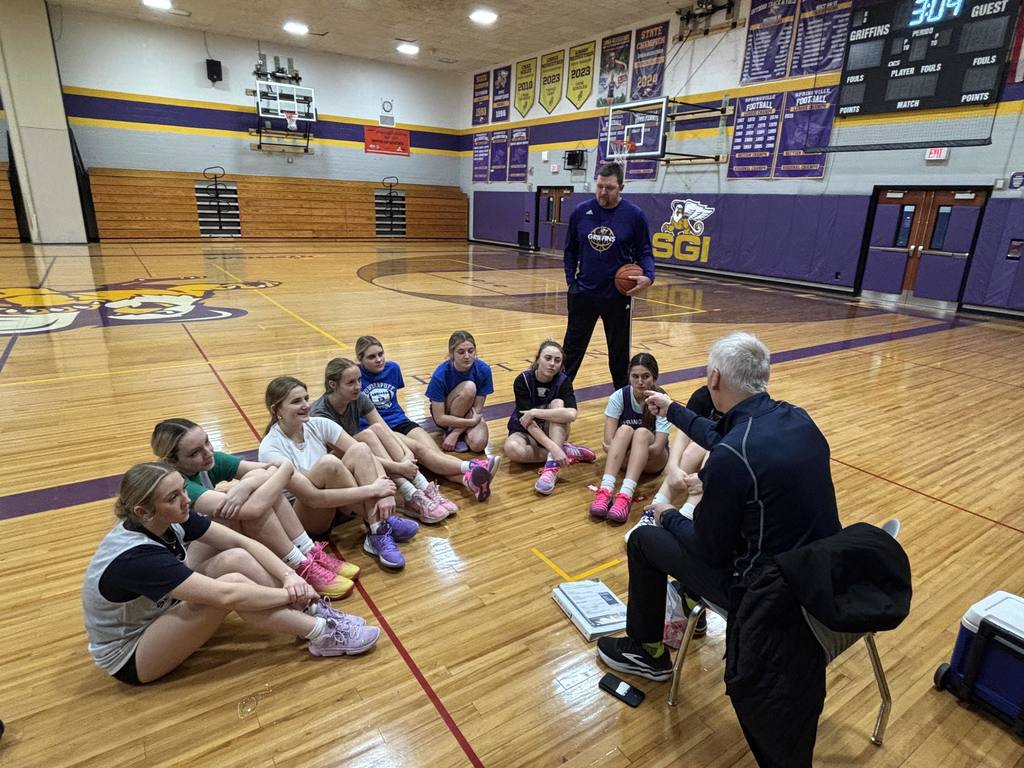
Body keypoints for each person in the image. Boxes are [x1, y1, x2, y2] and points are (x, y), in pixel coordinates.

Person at [595, 331, 841, 684]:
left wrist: (667, 516)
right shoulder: (796, 418)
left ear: (713, 378)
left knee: (644, 540)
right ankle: (689, 605)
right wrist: (673, 411)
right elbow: (724, 438)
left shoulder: (729, 457)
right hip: (818, 577)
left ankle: (646, 651)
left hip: (767, 595)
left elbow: (706, 548)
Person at [82, 462, 380, 685]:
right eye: (172, 497)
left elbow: (242, 541)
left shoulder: (167, 519)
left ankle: (312, 611)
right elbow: (227, 594)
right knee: (233, 584)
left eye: (183, 490)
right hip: (133, 653)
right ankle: (320, 633)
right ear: (143, 511)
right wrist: (287, 591)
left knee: (235, 557)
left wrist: (291, 577)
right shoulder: (137, 557)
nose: (185, 500)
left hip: (159, 611)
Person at [151, 418, 358, 598]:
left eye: (207, 441)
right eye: (195, 452)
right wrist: (280, 471)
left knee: (264, 492)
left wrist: (247, 484)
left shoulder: (211, 461)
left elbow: (276, 469)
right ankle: (301, 566)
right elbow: (253, 510)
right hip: (188, 563)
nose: (208, 452)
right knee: (253, 503)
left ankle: (308, 554)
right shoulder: (179, 484)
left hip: (210, 541)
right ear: (173, 461)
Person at [258, 376, 415, 570]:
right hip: (306, 517)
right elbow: (312, 497)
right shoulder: (270, 448)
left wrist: (386, 492)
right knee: (329, 463)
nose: (306, 405)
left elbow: (366, 455)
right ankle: (382, 522)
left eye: (306, 398)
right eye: (296, 401)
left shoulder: (318, 424)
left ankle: (378, 529)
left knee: (361, 449)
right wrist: (375, 490)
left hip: (340, 503)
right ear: (276, 410)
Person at [355, 335, 497, 504]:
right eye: (371, 357)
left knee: (434, 454)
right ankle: (472, 468)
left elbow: (392, 401)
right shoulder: (356, 377)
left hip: (400, 421)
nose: (378, 360)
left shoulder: (393, 368)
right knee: (422, 453)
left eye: (380, 354)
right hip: (377, 428)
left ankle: (469, 481)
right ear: (360, 359)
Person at [312, 357, 454, 523]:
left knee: (376, 430)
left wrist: (407, 454)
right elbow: (354, 452)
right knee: (366, 437)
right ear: (333, 385)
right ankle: (411, 493)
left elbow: (384, 428)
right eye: (350, 382)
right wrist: (400, 467)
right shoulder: (320, 414)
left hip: (358, 458)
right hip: (336, 476)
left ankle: (420, 488)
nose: (358, 386)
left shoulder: (358, 398)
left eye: (359, 380)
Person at [562, 162, 654, 390]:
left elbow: (645, 252)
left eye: (610, 188)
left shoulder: (634, 215)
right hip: (583, 294)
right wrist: (572, 283)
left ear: (621, 186)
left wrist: (649, 276)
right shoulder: (581, 212)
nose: (603, 192)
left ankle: (624, 400)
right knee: (572, 349)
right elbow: (570, 250)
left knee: (619, 353)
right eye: (600, 186)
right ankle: (557, 393)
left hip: (618, 297)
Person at [623, 384, 723, 544]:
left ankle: (686, 514)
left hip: (726, 465)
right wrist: (673, 466)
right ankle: (655, 508)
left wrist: (706, 479)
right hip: (701, 455)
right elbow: (684, 432)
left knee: (714, 452)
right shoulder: (703, 395)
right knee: (693, 449)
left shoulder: (741, 405)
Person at [503, 339, 595, 495]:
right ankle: (563, 452)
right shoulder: (522, 380)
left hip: (552, 430)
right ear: (538, 358)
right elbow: (527, 423)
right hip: (527, 430)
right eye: (548, 358)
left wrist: (535, 412)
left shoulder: (563, 381)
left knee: (558, 403)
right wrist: (554, 448)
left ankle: (552, 467)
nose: (552, 363)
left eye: (557, 360)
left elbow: (572, 414)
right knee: (511, 449)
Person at [589, 353, 670, 523]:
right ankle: (605, 490)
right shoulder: (619, 397)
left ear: (654, 377)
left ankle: (625, 495)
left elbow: (657, 448)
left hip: (653, 461)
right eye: (635, 376)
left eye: (645, 376)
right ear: (629, 377)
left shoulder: (662, 400)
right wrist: (630, 450)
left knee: (640, 433)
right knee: (625, 430)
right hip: (626, 459)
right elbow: (607, 444)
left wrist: (634, 450)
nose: (640, 381)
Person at [425, 332, 499, 489]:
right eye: (461, 352)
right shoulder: (441, 374)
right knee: (469, 387)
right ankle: (454, 431)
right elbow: (439, 418)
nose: (467, 356)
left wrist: (456, 433)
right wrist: (468, 423)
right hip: (446, 414)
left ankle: (458, 433)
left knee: (479, 444)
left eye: (471, 351)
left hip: (469, 412)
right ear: (451, 354)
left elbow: (477, 409)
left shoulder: (483, 369)